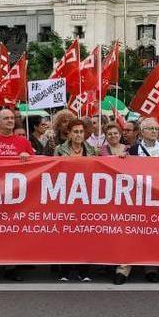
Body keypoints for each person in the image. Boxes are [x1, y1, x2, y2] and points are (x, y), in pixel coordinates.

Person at [115, 118, 159, 285]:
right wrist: (123, 158)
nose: (154, 131)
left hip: (156, 197)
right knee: (131, 233)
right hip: (136, 197)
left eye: (156, 128)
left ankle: (150, 267)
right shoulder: (134, 149)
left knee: (151, 234)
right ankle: (123, 268)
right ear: (142, 132)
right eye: (150, 128)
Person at [55, 117, 96, 282]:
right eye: (75, 132)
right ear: (69, 134)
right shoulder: (59, 150)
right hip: (66, 195)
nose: (79, 135)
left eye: (81, 132)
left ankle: (83, 270)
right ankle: (64, 270)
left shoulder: (93, 150)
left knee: (85, 233)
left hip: (86, 196)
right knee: (66, 233)